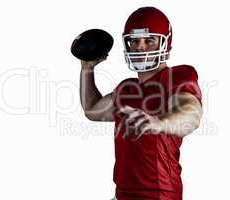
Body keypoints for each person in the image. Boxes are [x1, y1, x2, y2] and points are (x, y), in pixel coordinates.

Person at [80, 7, 203, 200]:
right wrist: (86, 70)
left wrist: (160, 123)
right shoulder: (127, 89)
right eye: (135, 41)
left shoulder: (176, 78)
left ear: (165, 43)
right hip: (122, 194)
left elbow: (191, 114)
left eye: (149, 40)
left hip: (159, 195)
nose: (140, 47)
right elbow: (92, 110)